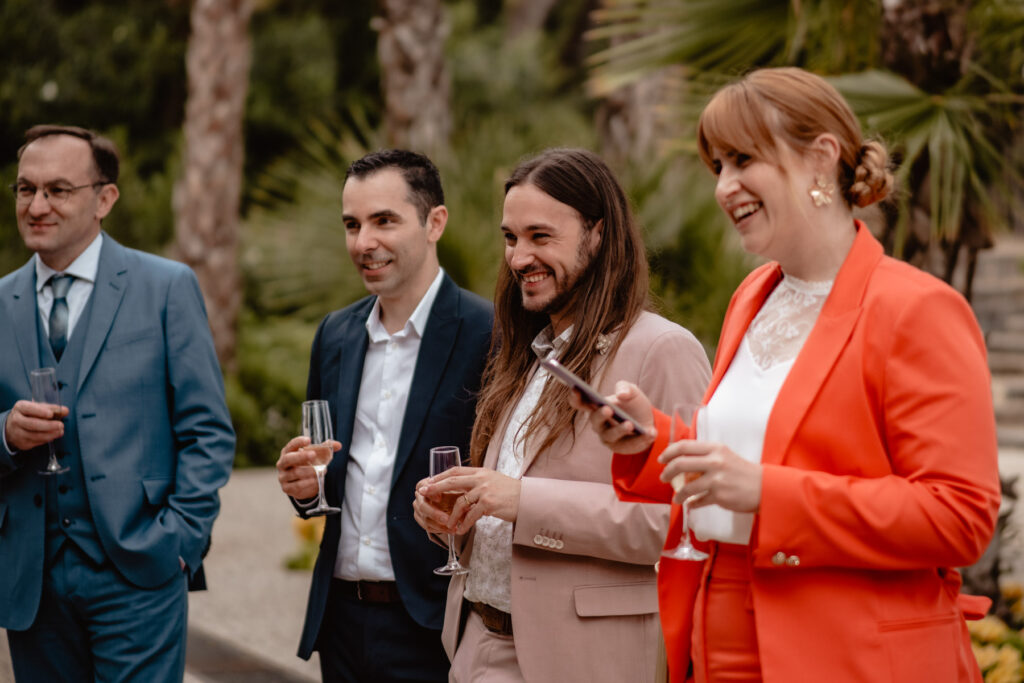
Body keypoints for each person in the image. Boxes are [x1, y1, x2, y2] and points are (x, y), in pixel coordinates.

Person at [584, 67, 1001, 682]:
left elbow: (958, 516)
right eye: (717, 166)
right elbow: (751, 455)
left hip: (845, 652)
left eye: (743, 159)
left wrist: (768, 494)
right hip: (714, 632)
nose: (726, 186)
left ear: (821, 156)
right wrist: (654, 441)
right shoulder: (754, 294)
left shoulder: (915, 309)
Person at [414, 148, 711, 682]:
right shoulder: (531, 352)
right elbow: (508, 518)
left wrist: (521, 500)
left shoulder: (663, 349)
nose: (519, 257)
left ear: (597, 234)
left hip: (583, 660)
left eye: (540, 236)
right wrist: (458, 518)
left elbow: (679, 523)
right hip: (476, 646)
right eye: (510, 238)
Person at [0, 124, 235, 681]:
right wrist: (6, 433)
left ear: (105, 198)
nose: (37, 205)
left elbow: (208, 431)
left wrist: (180, 541)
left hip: (139, 570)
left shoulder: (166, 287)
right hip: (30, 579)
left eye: (58, 189)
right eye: (25, 189)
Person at [275, 149, 493, 682]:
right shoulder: (335, 334)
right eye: (352, 224)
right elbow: (326, 476)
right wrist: (305, 488)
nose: (363, 242)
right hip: (341, 624)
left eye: (384, 221)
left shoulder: (488, 333)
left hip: (435, 623)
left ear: (434, 222)